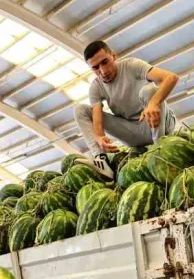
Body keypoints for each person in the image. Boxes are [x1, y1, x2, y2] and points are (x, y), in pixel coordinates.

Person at [73, 40, 180, 177]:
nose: (103, 71)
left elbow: (171, 77)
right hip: (134, 133)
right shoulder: (96, 87)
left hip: (160, 126)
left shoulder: (132, 65)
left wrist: (153, 103)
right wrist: (99, 138)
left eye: (105, 62)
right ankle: (102, 162)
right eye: (95, 68)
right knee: (80, 109)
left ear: (114, 56)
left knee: (149, 91)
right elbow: (97, 123)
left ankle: (160, 149)